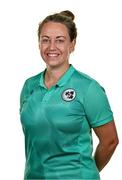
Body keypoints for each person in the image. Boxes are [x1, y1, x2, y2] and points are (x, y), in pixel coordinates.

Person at [20, 10, 119, 180]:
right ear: (39, 44)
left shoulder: (89, 88)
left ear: (72, 44)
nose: (52, 47)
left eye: (60, 40)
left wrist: (87, 172)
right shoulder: (29, 86)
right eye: (45, 40)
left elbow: (110, 141)